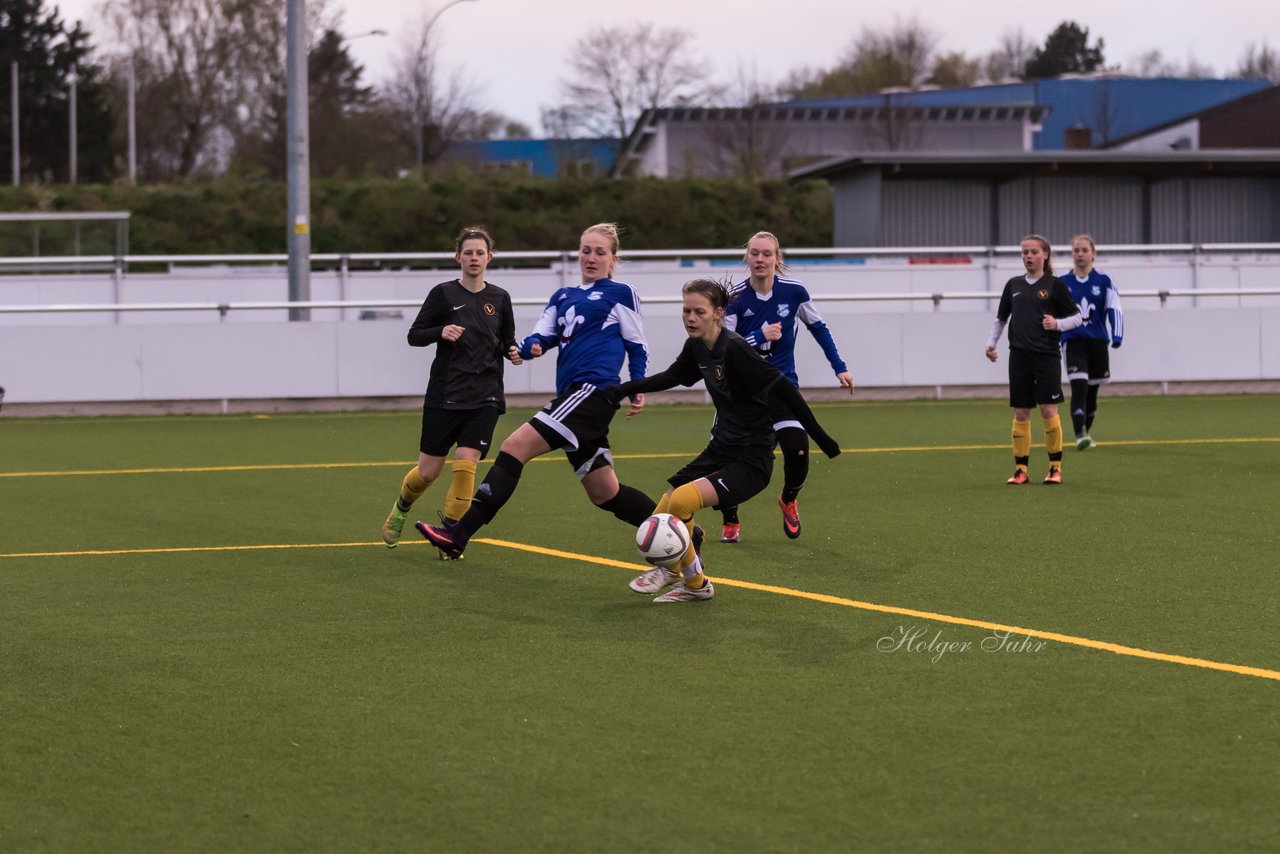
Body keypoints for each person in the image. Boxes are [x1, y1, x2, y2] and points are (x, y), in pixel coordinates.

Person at [416, 223, 657, 559]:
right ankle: (683, 529)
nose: (591, 257)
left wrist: (637, 385)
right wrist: (523, 350)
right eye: (585, 250)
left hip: (592, 392)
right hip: (576, 397)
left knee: (515, 446)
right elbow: (540, 338)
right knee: (604, 492)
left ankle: (459, 533)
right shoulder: (563, 296)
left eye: (600, 252)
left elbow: (637, 343)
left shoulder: (621, 293)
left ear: (613, 259)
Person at [605, 278, 842, 603]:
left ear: (717, 313)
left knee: (683, 501)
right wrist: (624, 389)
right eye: (686, 310)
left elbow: (785, 390)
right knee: (663, 508)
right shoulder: (697, 346)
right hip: (722, 448)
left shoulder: (736, 349)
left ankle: (674, 571)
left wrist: (822, 438)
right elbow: (675, 376)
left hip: (751, 459)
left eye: (698, 311)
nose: (690, 317)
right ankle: (696, 583)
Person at [381, 226, 523, 553]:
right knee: (428, 472)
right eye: (468, 252)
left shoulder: (500, 298)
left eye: (480, 252)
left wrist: (513, 352)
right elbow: (414, 335)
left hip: (485, 395)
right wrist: (441, 330)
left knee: (466, 463)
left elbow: (506, 340)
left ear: (490, 257)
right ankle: (402, 507)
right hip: (445, 394)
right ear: (457, 257)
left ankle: (451, 536)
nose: (474, 258)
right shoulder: (443, 294)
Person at [717, 231, 853, 544]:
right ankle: (730, 518)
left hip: (781, 387)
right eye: (755, 253)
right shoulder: (735, 299)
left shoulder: (794, 292)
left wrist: (840, 367)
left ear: (777, 259)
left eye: (767, 254)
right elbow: (724, 351)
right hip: (742, 393)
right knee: (729, 459)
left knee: (798, 449)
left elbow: (819, 329)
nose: (761, 259)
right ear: (746, 258)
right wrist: (760, 336)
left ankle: (788, 499)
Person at [985, 235, 1083, 485]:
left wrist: (1057, 323)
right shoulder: (1013, 285)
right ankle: (1020, 470)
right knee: (1021, 413)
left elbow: (1077, 317)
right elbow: (1001, 319)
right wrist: (991, 343)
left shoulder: (1055, 285)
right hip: (1019, 356)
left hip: (1046, 356)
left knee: (1048, 409)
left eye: (1033, 252)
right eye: (1025, 252)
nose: (1028, 256)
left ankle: (1055, 468)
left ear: (1045, 255)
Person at [1059, 234, 1124, 450]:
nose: (1080, 254)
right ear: (1072, 254)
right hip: (1073, 341)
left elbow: (1115, 307)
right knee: (1079, 386)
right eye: (1076, 250)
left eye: (1084, 250)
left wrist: (1117, 334)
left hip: (1097, 343)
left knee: (1093, 390)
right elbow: (1051, 314)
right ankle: (1080, 435)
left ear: (1093, 254)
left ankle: (1086, 432)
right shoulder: (1062, 283)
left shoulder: (1104, 281)